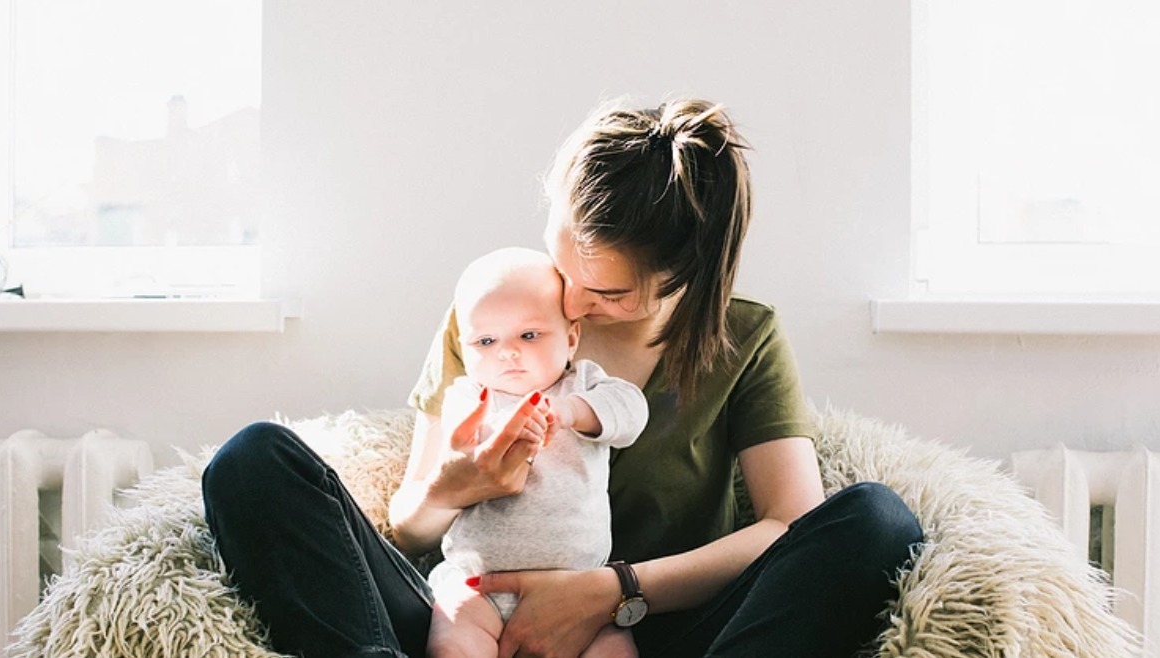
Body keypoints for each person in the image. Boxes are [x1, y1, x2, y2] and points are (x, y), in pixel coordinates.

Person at [202, 97, 924, 658]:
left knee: (876, 522)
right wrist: (454, 489)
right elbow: (409, 531)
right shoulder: (502, 314)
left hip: (658, 630)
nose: (572, 305)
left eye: (609, 294)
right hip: (469, 620)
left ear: (687, 278)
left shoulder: (745, 338)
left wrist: (611, 594)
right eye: (562, 265)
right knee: (251, 462)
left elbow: (787, 525)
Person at [426, 246, 646, 658]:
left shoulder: (582, 385)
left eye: (529, 335)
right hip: (479, 585)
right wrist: (472, 430)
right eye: (486, 341)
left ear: (572, 337)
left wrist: (569, 412)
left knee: (614, 649)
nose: (507, 352)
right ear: (465, 347)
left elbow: (632, 412)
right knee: (451, 641)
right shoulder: (472, 394)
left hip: (578, 591)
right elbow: (456, 440)